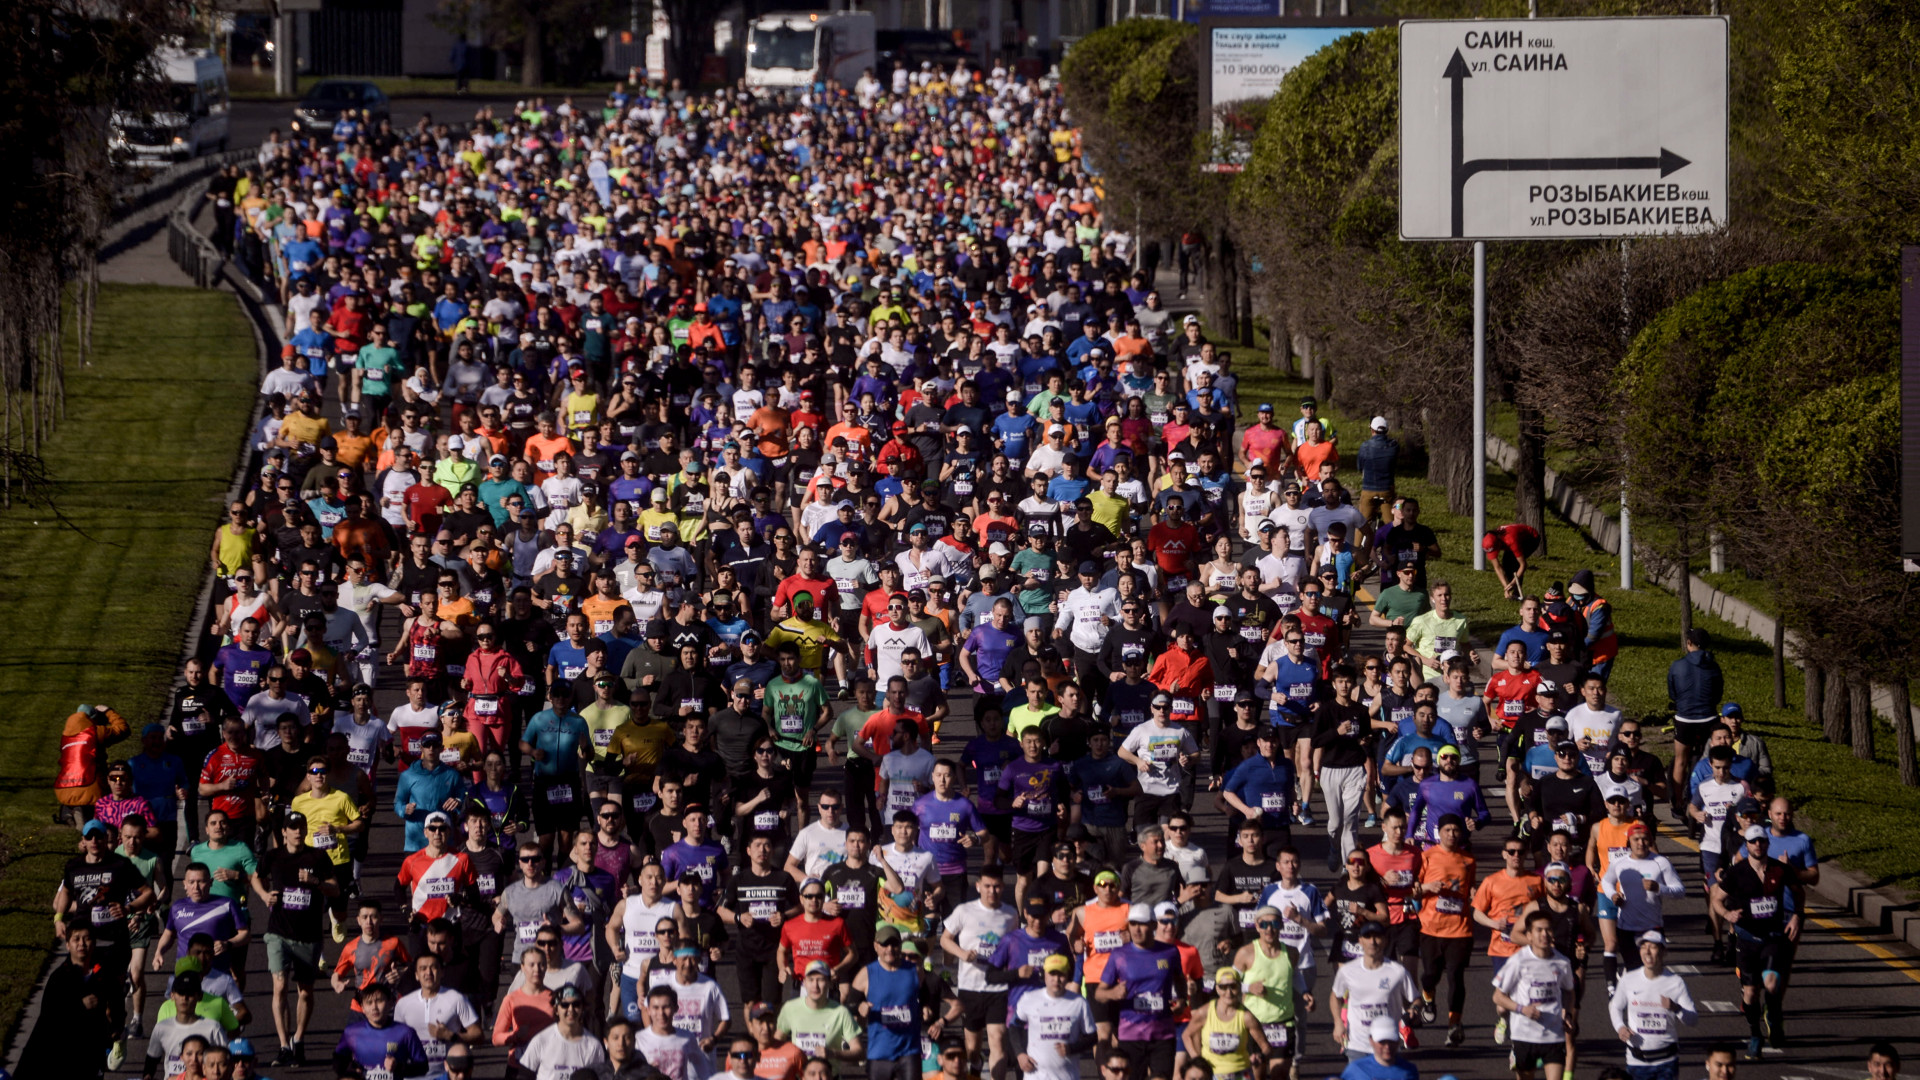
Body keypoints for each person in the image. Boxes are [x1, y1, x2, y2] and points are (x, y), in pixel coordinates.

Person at [1710, 825, 1804, 1057]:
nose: (1758, 845)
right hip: (1747, 938)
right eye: (1753, 842)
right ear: (1747, 845)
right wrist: (1726, 915)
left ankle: (1773, 1014)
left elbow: (1798, 891)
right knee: (1750, 993)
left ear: (1767, 843)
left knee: (1772, 984)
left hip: (1773, 936)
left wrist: (1796, 916)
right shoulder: (1737, 872)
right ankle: (1755, 1034)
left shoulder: (1780, 869)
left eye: (1762, 841)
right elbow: (1717, 899)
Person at [1492, 910, 1576, 1080]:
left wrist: (1568, 1013)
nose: (1544, 934)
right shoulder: (1518, 961)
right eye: (1539, 930)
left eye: (1548, 930)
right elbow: (1498, 997)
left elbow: (1569, 991)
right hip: (1524, 1034)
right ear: (1529, 935)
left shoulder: (1562, 962)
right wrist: (1522, 1009)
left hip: (1553, 1034)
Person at [1608, 930, 1696, 1080]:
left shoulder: (1675, 982)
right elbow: (1615, 1006)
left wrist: (1675, 1008)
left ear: (1663, 952)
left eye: (1653, 947)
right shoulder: (1629, 979)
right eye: (1643, 947)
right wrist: (1620, 1027)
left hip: (1666, 1061)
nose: (1647, 952)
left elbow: (1692, 1019)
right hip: (1637, 1061)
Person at [1331, 921, 1419, 1063]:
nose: (1372, 942)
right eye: (1367, 937)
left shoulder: (1398, 972)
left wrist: (1414, 1009)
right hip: (1357, 1046)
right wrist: (1337, 1023)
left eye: (1377, 937)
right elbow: (1335, 996)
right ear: (1360, 941)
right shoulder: (1348, 971)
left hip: (1387, 1046)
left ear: (1385, 941)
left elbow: (1416, 998)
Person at [1016, 954, 1100, 1080]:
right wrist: (1020, 1054)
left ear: (1067, 976)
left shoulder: (1079, 1003)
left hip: (1067, 1076)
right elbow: (1014, 1027)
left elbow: (1092, 1037)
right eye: (1052, 974)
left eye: (1061, 974)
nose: (1056, 979)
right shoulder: (1029, 999)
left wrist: (1072, 1048)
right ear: (1044, 975)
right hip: (1035, 1075)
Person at [334, 981, 428, 1079]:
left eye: (379, 1001)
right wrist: (351, 1070)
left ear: (390, 1003)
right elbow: (338, 1062)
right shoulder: (351, 1032)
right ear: (363, 1008)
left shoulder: (406, 1032)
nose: (374, 1007)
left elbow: (423, 1067)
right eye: (369, 1003)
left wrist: (399, 1067)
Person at [1339, 1016, 1418, 1080]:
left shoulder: (1409, 1071)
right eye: (1382, 1042)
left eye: (1391, 1041)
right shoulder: (1356, 1069)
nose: (1387, 1046)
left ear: (1398, 1041)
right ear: (1371, 1040)